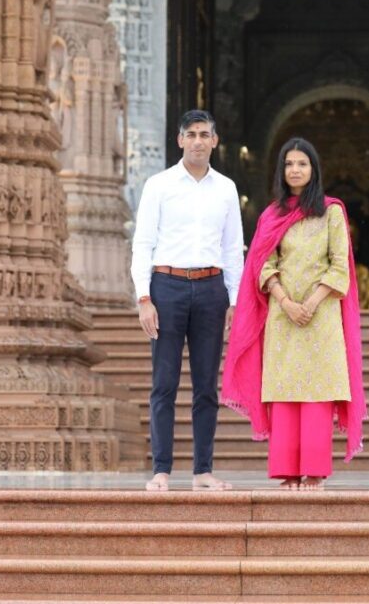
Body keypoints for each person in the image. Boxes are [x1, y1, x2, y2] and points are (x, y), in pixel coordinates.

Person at [222, 138, 367, 490]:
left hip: (322, 315)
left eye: (302, 163)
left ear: (313, 169)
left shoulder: (331, 211)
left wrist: (312, 303)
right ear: (281, 171)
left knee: (317, 391)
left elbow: (339, 267)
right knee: (285, 390)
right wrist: (286, 302)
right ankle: (287, 471)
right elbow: (262, 264)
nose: (295, 170)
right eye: (289, 164)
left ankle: (315, 472)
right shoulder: (273, 215)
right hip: (282, 314)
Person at [131, 109, 244, 491]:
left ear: (215, 140)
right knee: (163, 383)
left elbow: (232, 249)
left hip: (212, 289)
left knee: (206, 386)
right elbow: (143, 243)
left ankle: (203, 471)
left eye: (204, 134)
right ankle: (161, 470)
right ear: (179, 140)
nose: (198, 141)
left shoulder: (226, 188)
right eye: (191, 134)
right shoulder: (159, 185)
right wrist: (144, 297)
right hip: (167, 286)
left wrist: (234, 299)